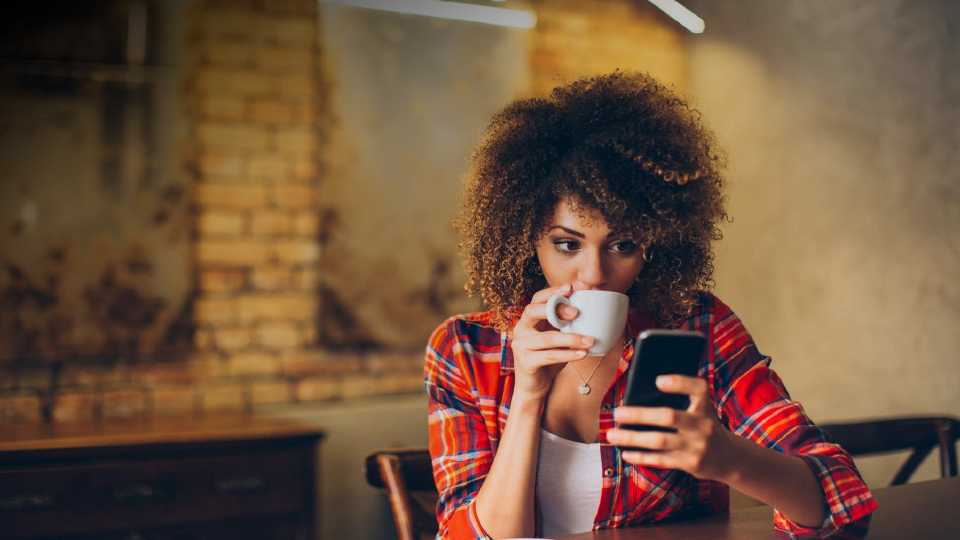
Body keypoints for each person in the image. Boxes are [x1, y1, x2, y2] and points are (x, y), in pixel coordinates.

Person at [424, 71, 876, 539]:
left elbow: (844, 504)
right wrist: (527, 397)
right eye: (567, 245)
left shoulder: (697, 328)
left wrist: (730, 458)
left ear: (657, 243)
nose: (595, 273)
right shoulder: (464, 350)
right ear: (527, 239)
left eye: (621, 245)